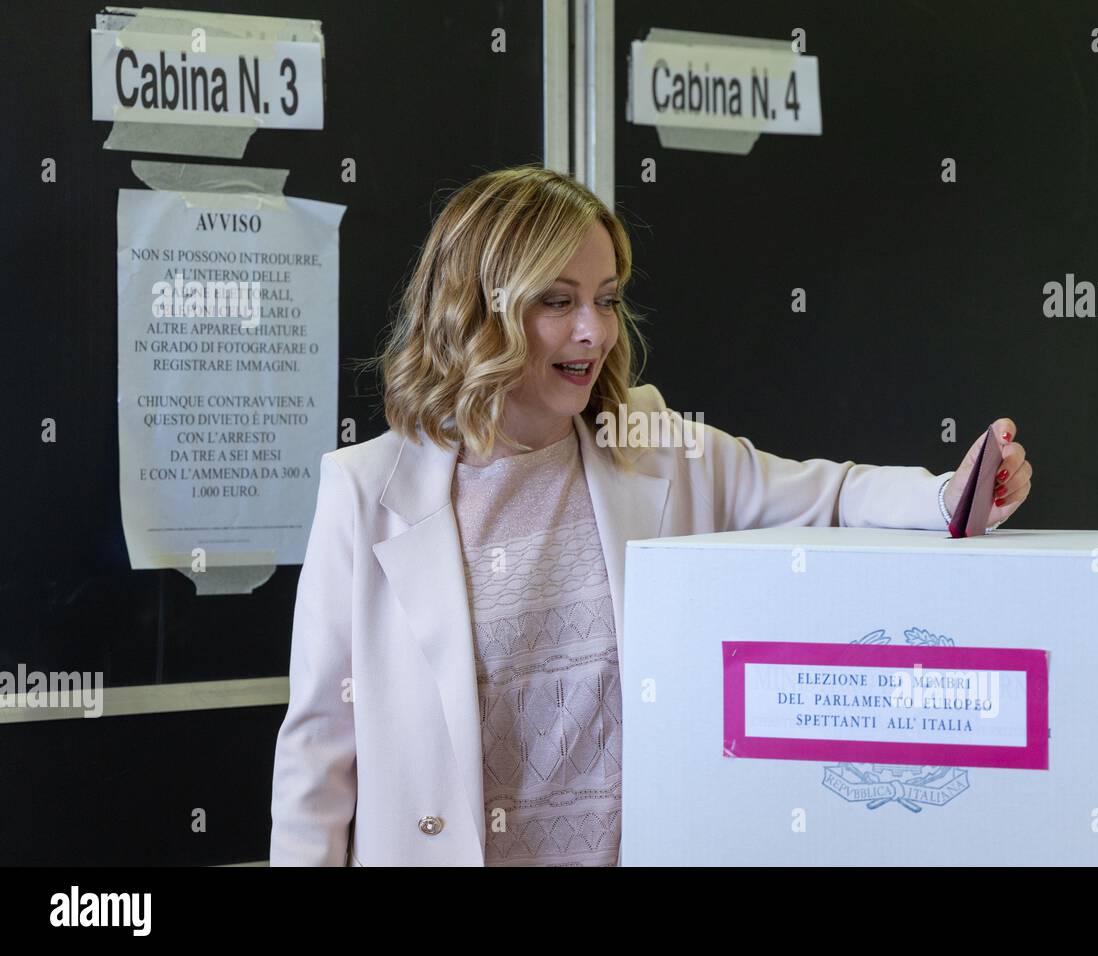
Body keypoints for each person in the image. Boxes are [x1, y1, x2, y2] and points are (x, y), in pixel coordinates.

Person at [268, 164, 1033, 867]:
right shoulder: (367, 491)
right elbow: (318, 758)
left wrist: (951, 494)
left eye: (605, 299)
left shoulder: (652, 447)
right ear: (478, 310)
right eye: (558, 301)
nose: (594, 332)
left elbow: (825, 494)